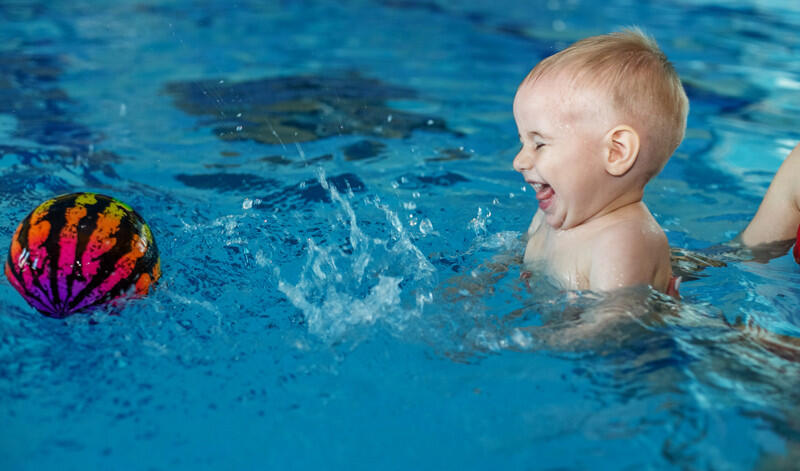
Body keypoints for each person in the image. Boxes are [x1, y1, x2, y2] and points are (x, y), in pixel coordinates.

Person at [513, 28, 688, 295]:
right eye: (522, 142)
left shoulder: (624, 241)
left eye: (539, 144)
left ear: (616, 151)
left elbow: (613, 327)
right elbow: (511, 260)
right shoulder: (548, 216)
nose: (519, 161)